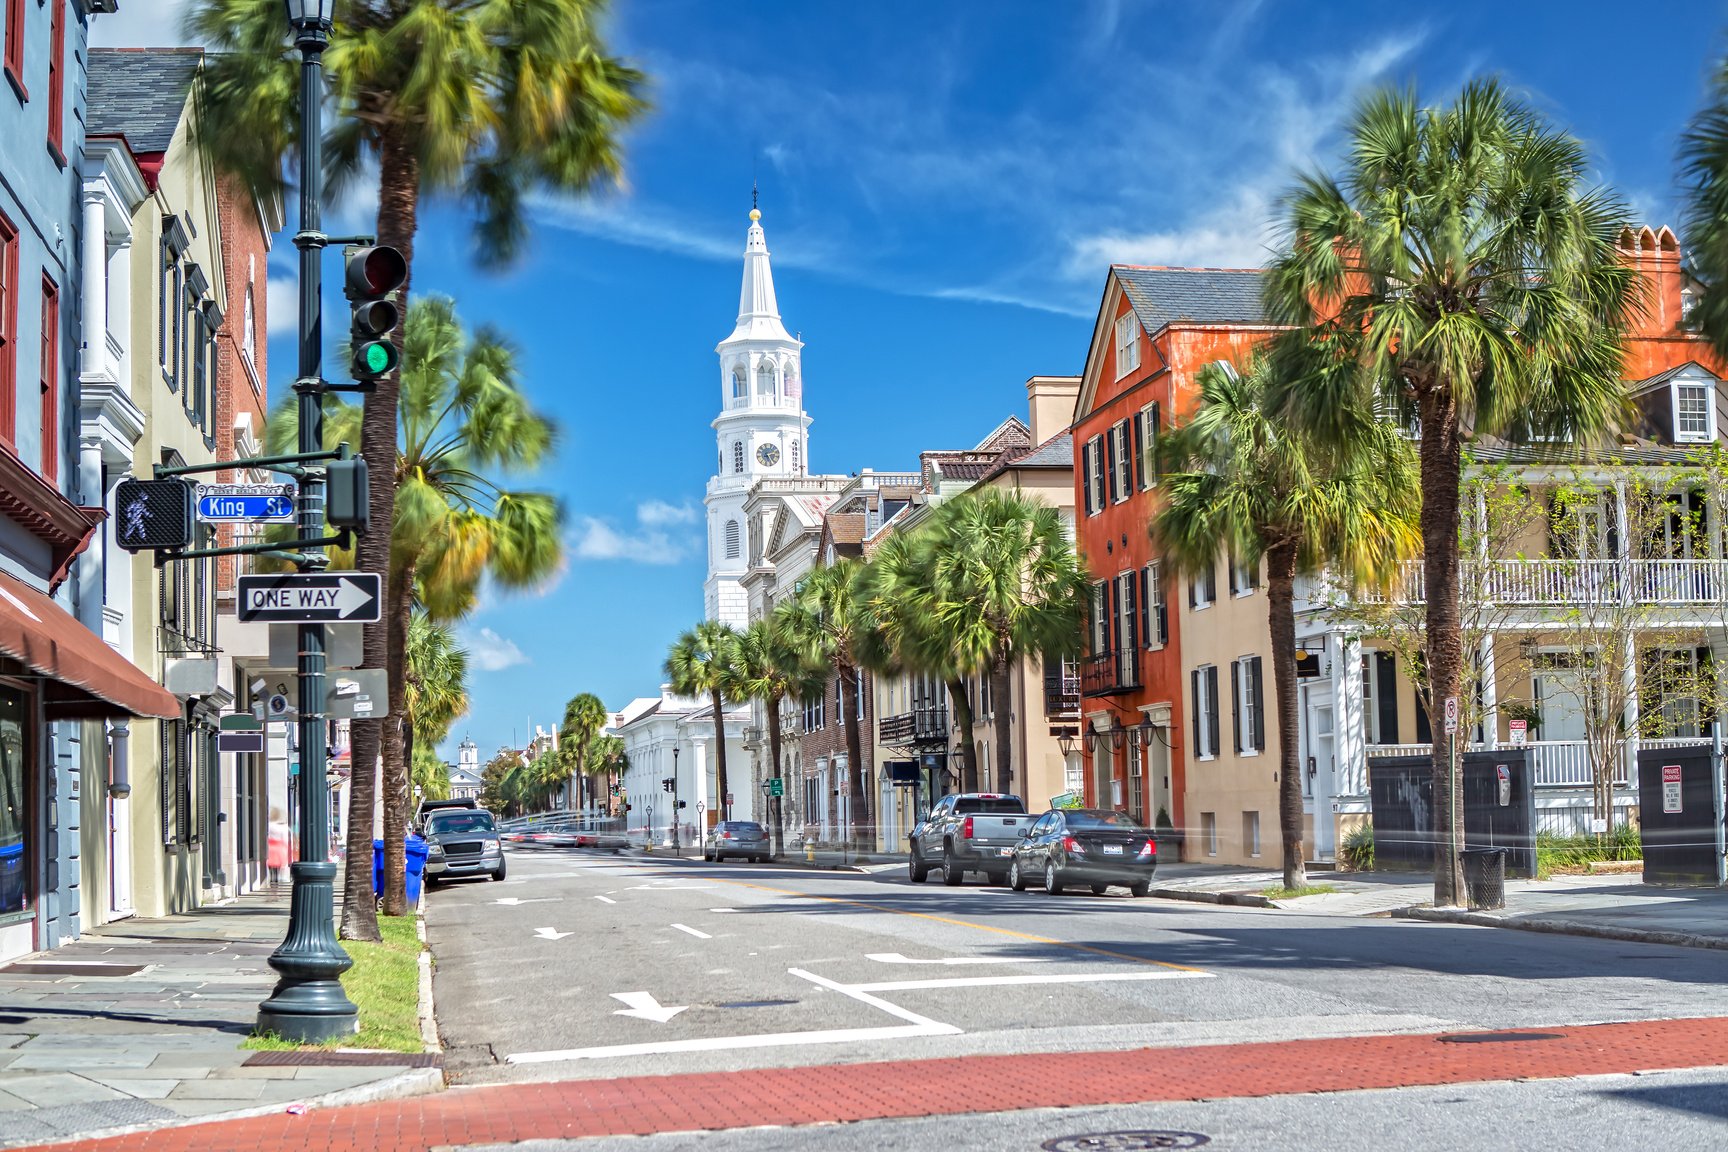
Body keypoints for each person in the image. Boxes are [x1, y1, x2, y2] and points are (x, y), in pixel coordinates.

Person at [267, 808, 291, 888]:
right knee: (277, 869)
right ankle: (276, 885)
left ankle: (272, 882)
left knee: (271, 869)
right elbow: (284, 839)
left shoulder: (269, 825)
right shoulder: (282, 827)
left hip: (270, 847)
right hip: (279, 848)